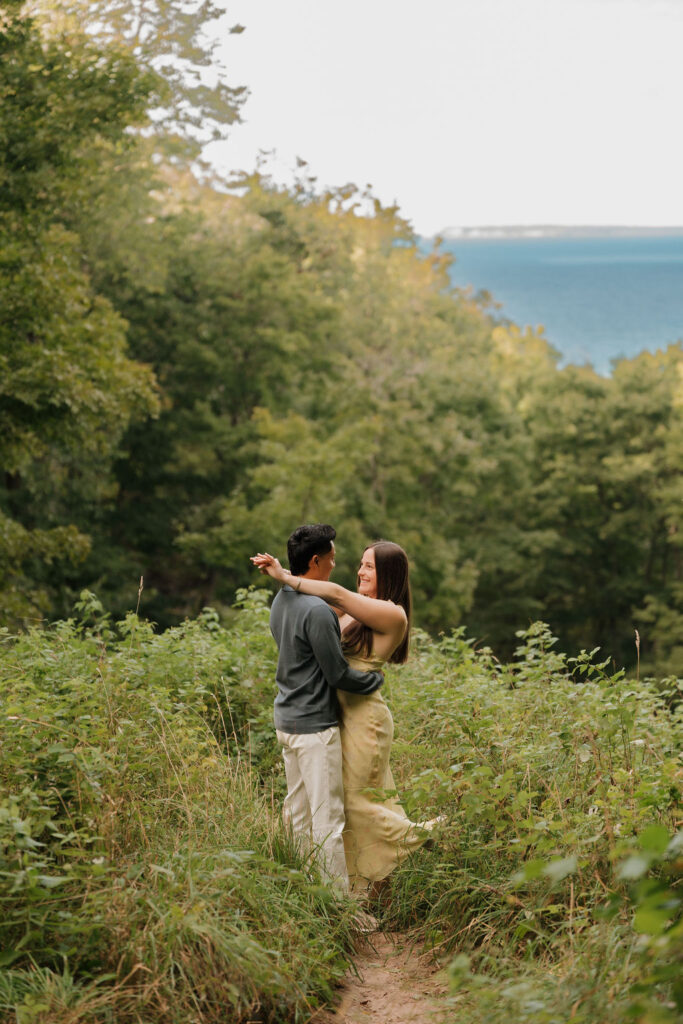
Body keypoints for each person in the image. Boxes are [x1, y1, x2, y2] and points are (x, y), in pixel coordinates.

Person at [252, 538, 434, 893]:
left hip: (366, 719)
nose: (360, 571)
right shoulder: (354, 608)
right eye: (361, 564)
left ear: (389, 574)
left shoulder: (391, 612)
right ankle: (358, 885)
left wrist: (285, 576)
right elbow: (316, 604)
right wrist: (289, 576)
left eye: (369, 566)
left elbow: (333, 592)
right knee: (343, 804)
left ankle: (426, 838)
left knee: (353, 801)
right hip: (337, 715)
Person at [264, 523, 384, 893]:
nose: (334, 565)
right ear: (315, 561)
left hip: (286, 720)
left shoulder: (282, 599)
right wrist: (374, 680)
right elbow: (337, 674)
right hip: (314, 729)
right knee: (328, 821)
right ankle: (339, 906)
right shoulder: (316, 610)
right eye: (331, 559)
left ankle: (305, 892)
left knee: (298, 818)